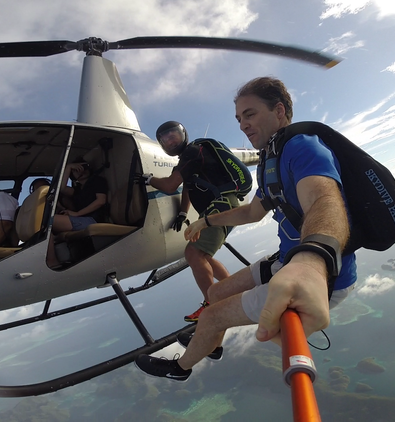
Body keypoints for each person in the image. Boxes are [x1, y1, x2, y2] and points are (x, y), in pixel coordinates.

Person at [135, 77, 357, 381]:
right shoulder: (271, 158)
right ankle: (210, 342)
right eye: (239, 119)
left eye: (250, 115)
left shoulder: (301, 148)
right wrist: (205, 221)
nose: (242, 125)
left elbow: (325, 200)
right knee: (216, 292)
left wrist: (313, 261)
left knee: (212, 314)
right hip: (286, 261)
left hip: (321, 277)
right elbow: (254, 212)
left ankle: (180, 368)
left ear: (279, 111)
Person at [140, 121, 250, 322]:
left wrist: (148, 179)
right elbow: (189, 188)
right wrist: (183, 213)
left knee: (193, 253)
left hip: (220, 207)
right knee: (203, 257)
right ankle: (233, 291)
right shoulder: (189, 159)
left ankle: (213, 304)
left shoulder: (192, 152)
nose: (170, 141)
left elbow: (171, 185)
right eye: (165, 140)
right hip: (219, 208)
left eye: (173, 136)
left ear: (183, 135)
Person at [46, 158, 108, 268]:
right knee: (44, 224)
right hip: (82, 219)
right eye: (76, 169)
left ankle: (52, 261)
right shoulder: (78, 189)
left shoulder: (97, 181)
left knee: (50, 220)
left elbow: (100, 201)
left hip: (93, 220)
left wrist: (78, 213)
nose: (81, 170)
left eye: (83, 167)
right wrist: (69, 167)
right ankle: (51, 258)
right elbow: (62, 188)